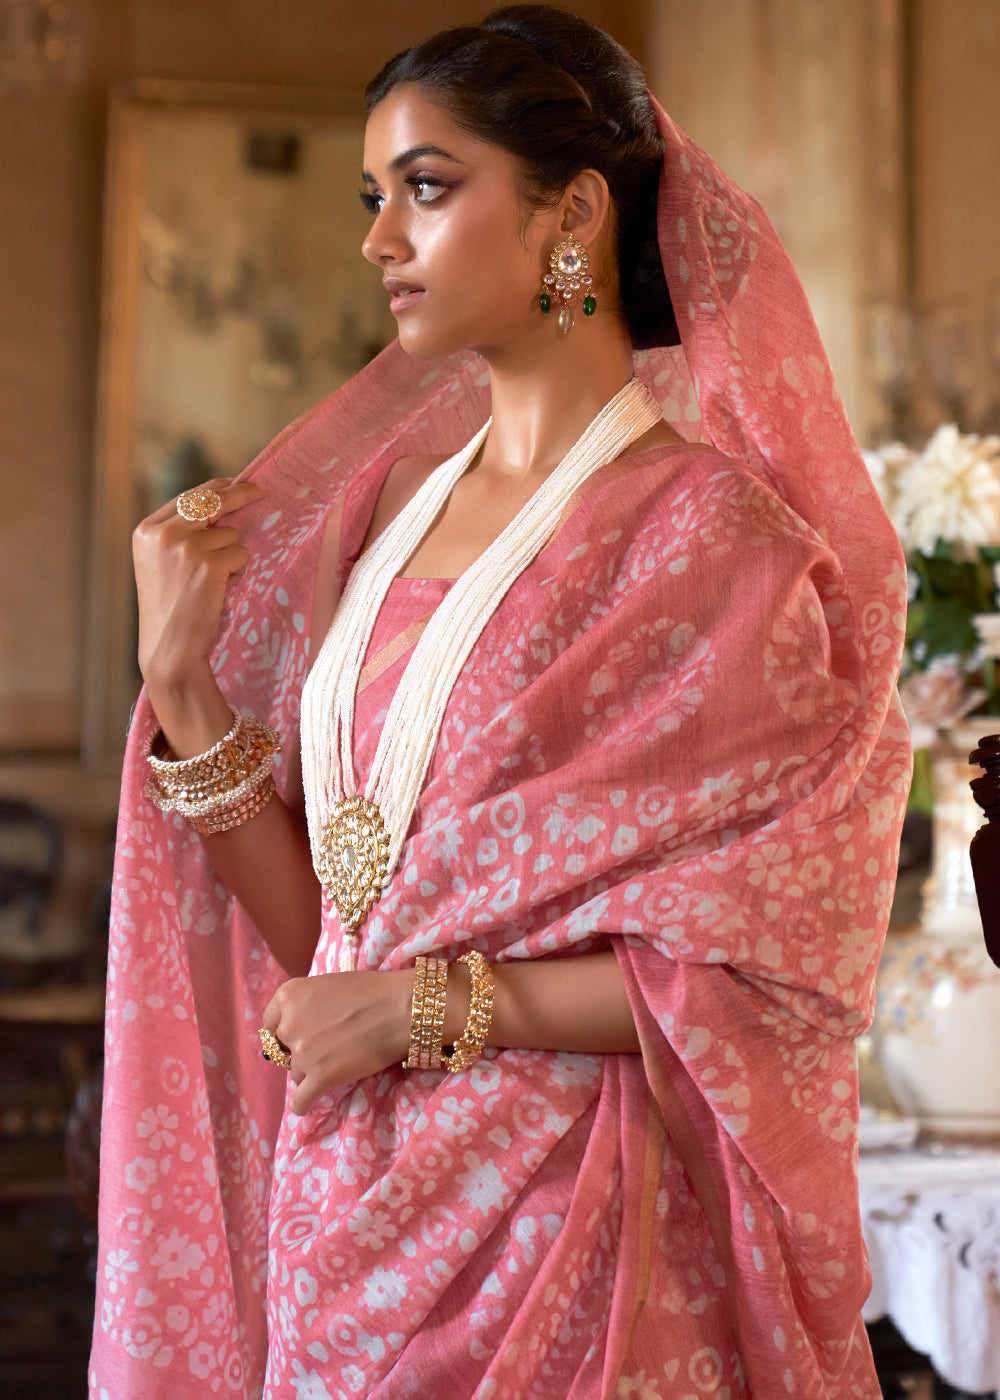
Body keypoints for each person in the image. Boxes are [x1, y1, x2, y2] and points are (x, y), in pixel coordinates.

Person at [89, 7, 911, 1398]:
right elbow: (340, 929)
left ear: (571, 214)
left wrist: (420, 1010)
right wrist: (178, 684)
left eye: (425, 186)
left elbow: (780, 963)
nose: (379, 241)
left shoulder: (714, 544)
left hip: (574, 1227)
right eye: (372, 197)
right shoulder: (382, 518)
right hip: (345, 1212)